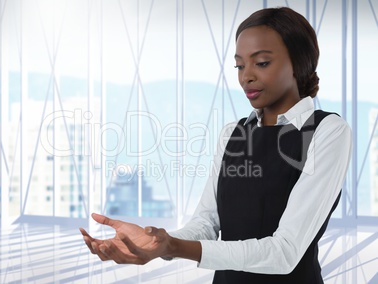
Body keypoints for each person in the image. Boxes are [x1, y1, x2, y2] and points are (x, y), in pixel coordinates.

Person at [80, 6, 351, 283]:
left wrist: (175, 247)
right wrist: (158, 241)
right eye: (239, 65)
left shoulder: (327, 131)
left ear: (299, 62)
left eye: (262, 63)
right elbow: (206, 224)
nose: (246, 76)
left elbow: (284, 251)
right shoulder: (233, 134)